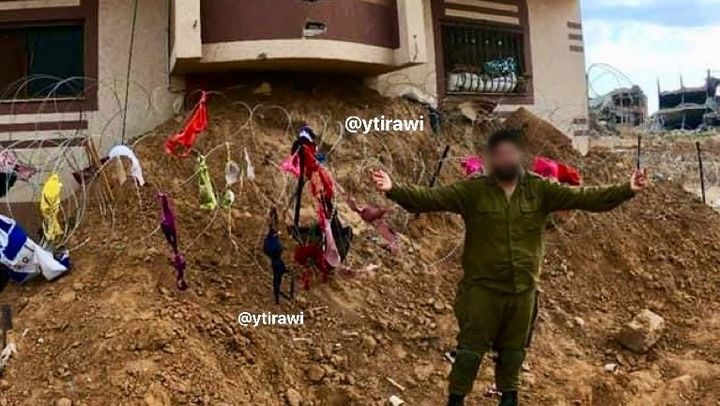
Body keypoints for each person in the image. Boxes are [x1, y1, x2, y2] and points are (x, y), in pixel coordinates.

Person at [371, 129, 647, 406]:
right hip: (482, 291)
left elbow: (586, 197)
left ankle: (509, 399)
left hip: (522, 292)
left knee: (514, 354)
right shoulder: (473, 190)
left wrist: (627, 189)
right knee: (469, 352)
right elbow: (430, 198)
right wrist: (393, 189)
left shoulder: (540, 189)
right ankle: (456, 400)